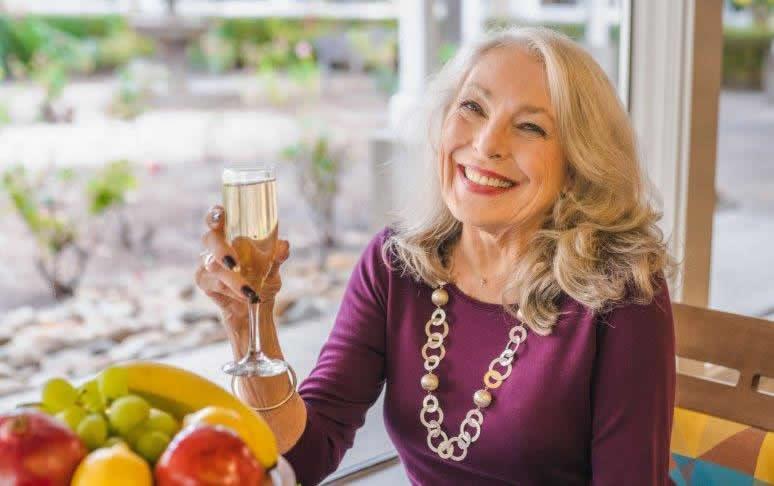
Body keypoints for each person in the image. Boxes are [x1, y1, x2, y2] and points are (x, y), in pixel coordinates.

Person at [196, 27, 676, 486]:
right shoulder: (396, 264)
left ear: (576, 165)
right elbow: (302, 457)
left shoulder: (619, 292)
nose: (487, 144)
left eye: (530, 127)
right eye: (472, 107)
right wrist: (249, 325)